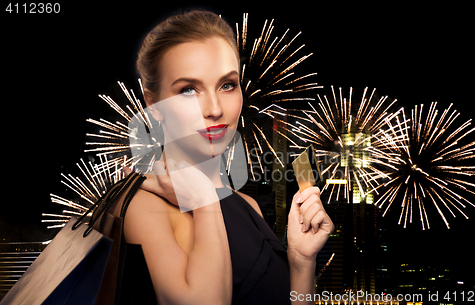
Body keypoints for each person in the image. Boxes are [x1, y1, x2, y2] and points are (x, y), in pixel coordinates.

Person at [122, 10, 334, 305]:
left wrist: (300, 261)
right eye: (188, 90)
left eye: (227, 85)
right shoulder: (143, 207)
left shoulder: (247, 205)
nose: (214, 108)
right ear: (153, 103)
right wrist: (203, 195)